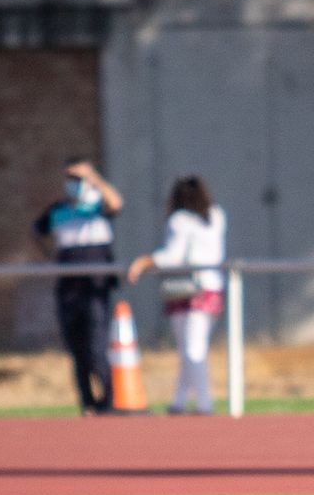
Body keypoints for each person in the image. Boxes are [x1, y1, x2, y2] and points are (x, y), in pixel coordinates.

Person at [127, 176, 228, 415]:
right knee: (191, 348)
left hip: (190, 290)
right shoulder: (216, 216)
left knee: (192, 350)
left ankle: (204, 403)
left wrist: (144, 262)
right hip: (212, 287)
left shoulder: (180, 220)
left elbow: (173, 256)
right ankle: (179, 401)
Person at [34, 158, 124, 415]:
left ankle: (109, 402)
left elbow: (116, 203)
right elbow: (36, 231)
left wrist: (93, 177)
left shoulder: (98, 205)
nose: (73, 183)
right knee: (77, 348)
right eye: (70, 178)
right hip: (68, 286)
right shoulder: (58, 209)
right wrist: (49, 254)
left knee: (97, 344)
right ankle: (88, 403)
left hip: (95, 285)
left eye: (78, 178)